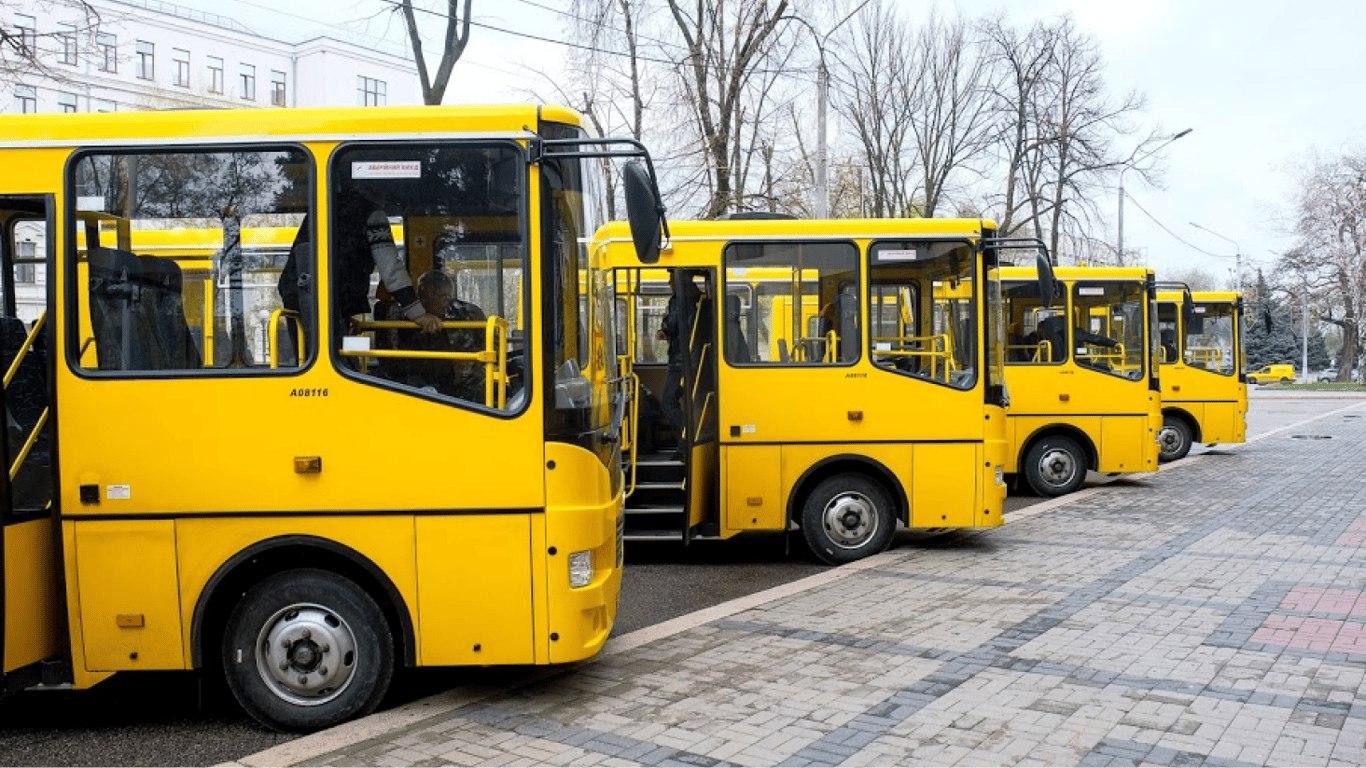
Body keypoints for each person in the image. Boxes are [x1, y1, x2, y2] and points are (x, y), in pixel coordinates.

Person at [278, 188, 441, 353]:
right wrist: (418, 314)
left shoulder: (326, 207)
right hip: (325, 295)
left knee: (307, 355)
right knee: (336, 359)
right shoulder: (372, 215)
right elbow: (391, 268)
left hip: (299, 291)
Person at [393, 270, 488, 403]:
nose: (420, 303)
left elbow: (492, 345)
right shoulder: (411, 318)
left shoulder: (470, 313)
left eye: (425, 298)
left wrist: (471, 360)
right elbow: (403, 357)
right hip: (427, 381)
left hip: (466, 381)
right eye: (418, 297)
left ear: (445, 298)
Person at [658, 269, 703, 460]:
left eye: (671, 277)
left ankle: (687, 439)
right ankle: (685, 446)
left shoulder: (679, 299)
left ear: (678, 278)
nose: (669, 282)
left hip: (681, 361)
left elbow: (673, 325)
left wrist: (664, 329)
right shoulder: (699, 296)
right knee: (692, 403)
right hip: (694, 360)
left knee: (668, 403)